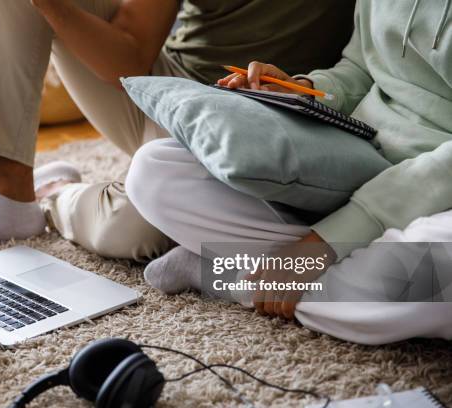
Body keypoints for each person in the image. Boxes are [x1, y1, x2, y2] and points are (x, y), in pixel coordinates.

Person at [0, 0, 355, 261]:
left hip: (261, 115)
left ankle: (53, 193)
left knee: (138, 230)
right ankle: (7, 188)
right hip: (166, 89)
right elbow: (129, 56)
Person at [125, 0, 452, 344]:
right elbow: (361, 67)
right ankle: (317, 273)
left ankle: (233, 277)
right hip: (356, 159)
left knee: (437, 271)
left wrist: (331, 239)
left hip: (435, 196)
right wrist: (302, 90)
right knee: (156, 172)